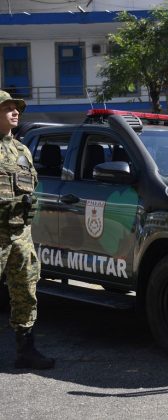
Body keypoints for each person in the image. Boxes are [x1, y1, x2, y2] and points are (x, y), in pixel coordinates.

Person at [0, 89, 55, 369]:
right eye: (7, 107)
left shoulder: (22, 150)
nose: (15, 112)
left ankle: (26, 350)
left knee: (25, 291)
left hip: (20, 233)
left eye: (16, 107)